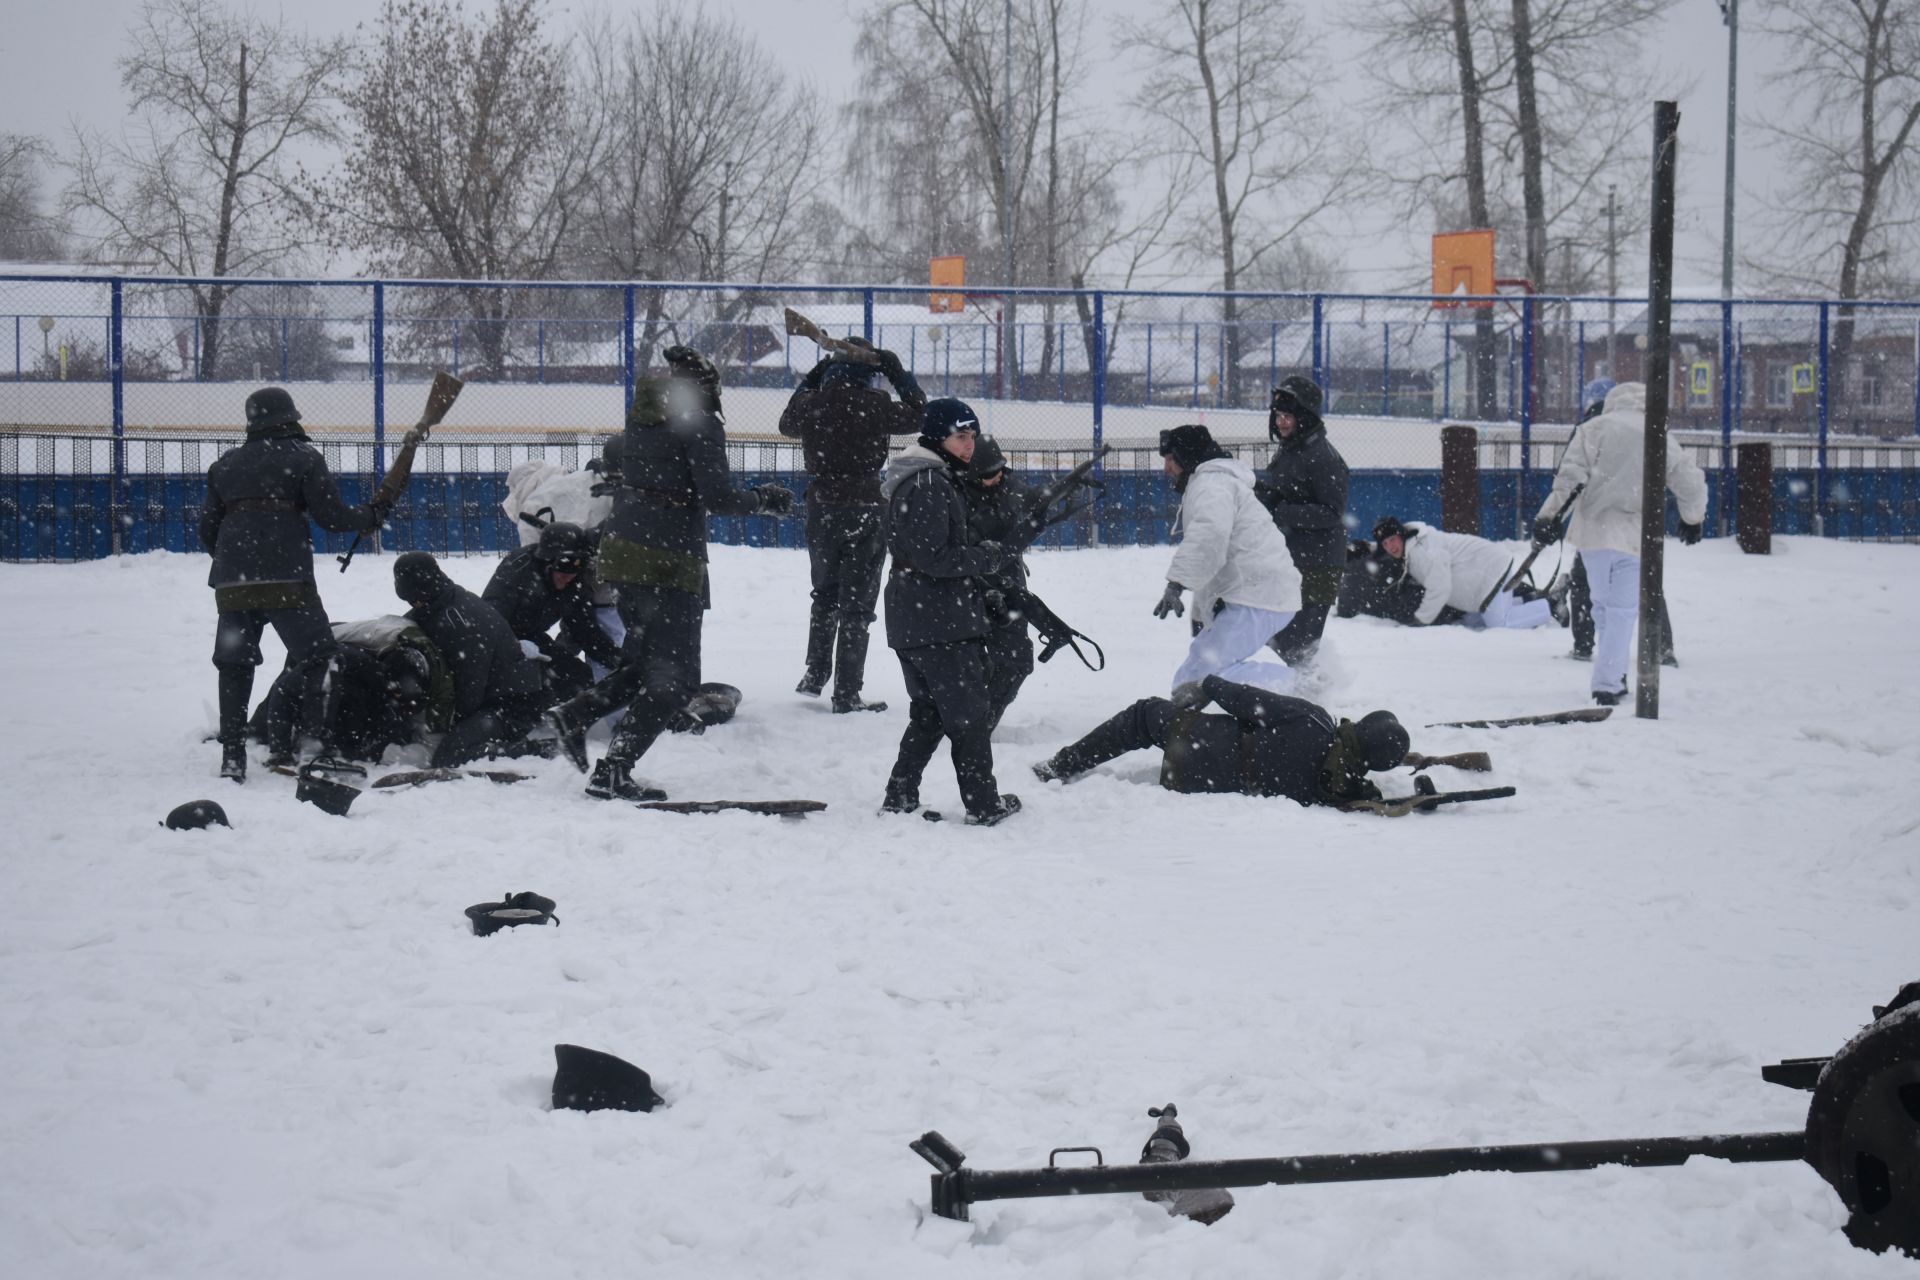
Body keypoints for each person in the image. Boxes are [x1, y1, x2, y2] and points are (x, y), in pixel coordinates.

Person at [544, 350, 793, 800]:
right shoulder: (700, 423)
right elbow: (716, 495)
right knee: (676, 683)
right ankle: (613, 771)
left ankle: (575, 714)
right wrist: (762, 499)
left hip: (625, 552)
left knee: (643, 665)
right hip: (668, 561)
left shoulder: (643, 416)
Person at [197, 385, 392, 783]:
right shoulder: (303, 458)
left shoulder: (225, 465)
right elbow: (332, 517)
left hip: (233, 583)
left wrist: (237, 560)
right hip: (288, 579)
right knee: (321, 659)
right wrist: (368, 515)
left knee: (234, 666)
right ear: (290, 419)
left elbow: (207, 530)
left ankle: (232, 758)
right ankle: (314, 749)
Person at [877, 397, 1022, 825]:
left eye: (972, 437)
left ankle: (900, 795)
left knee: (930, 714)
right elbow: (933, 558)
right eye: (961, 437)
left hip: (918, 617)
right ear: (938, 436)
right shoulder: (928, 484)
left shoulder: (925, 478)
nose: (969, 446)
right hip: (938, 621)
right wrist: (985, 558)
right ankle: (982, 805)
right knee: (968, 718)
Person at [1534, 380, 1707, 705]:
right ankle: (1608, 681)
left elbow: (1570, 478)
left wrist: (1549, 518)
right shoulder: (1657, 433)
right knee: (1623, 610)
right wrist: (1692, 519)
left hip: (1594, 534)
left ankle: (1610, 676)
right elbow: (1688, 478)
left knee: (1602, 605)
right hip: (1636, 534)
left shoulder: (1593, 428)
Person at [779, 337, 926, 713]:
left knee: (824, 594)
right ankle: (846, 692)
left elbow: (786, 423)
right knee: (858, 606)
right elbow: (918, 412)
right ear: (868, 375)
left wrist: (814, 375)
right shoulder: (875, 405)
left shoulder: (812, 405)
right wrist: (897, 371)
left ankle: (814, 674)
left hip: (822, 506)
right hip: (865, 505)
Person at [1031, 675, 1409, 808]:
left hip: (1194, 743)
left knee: (1143, 715)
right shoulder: (1342, 787)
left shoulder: (1316, 720)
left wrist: (1207, 685)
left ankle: (1060, 766)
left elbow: (1247, 700)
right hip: (1201, 782)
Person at [1154, 425, 1300, 698]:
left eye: (1170, 459)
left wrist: (1177, 583)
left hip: (1259, 596)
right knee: (1193, 679)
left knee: (1198, 679)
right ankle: (1288, 689)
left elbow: (1210, 536)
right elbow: (1215, 549)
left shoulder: (1212, 485)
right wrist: (1203, 613)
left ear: (1186, 457)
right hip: (1255, 593)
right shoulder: (1212, 482)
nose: (1166, 468)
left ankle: (1297, 687)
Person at [394, 552, 550, 768]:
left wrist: (447, 724)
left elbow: (471, 688)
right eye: (410, 600)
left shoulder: (460, 621)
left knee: (448, 756)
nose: (415, 603)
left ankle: (528, 749)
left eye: (417, 599)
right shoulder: (437, 603)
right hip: (491, 698)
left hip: (511, 705)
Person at [1563, 379, 1678, 666]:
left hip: (1598, 520)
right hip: (1639, 519)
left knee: (1585, 581)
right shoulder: (1647, 424)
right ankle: (1660, 646)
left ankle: (1585, 643)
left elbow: (1572, 473)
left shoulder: (1591, 426)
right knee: (1647, 582)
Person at [1257, 375, 1349, 665]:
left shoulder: (1323, 457)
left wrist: (1281, 512)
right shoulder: (1291, 449)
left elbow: (1332, 513)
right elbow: (1280, 490)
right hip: (1293, 558)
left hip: (1318, 565)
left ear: (1305, 417)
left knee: (1298, 647)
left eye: (1289, 416)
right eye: (1279, 415)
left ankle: (1309, 700)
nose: (1282, 422)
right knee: (1279, 639)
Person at [482, 521, 623, 704]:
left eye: (577, 565)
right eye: (563, 565)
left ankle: (559, 723)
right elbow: (489, 621)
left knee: (580, 680)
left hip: (533, 636)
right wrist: (514, 647)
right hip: (499, 642)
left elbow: (584, 630)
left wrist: (618, 658)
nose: (569, 574)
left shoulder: (575, 583)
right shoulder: (517, 573)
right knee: (530, 685)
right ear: (547, 561)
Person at [959, 438, 1044, 729]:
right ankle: (968, 721)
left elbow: (1036, 507)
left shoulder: (1011, 487)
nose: (996, 478)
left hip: (1008, 584)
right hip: (967, 585)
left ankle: (982, 723)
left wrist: (1049, 501)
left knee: (1016, 660)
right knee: (968, 660)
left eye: (1000, 471)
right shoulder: (954, 494)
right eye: (987, 474)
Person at [252, 638, 435, 767]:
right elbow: (282, 694)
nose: (396, 697)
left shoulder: (374, 681)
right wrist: (280, 749)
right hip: (289, 714)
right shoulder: (330, 671)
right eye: (396, 692)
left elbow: (383, 719)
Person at [1371, 515, 1565, 630]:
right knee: (1472, 621)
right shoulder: (1413, 549)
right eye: (1385, 544)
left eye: (1392, 540)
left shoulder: (1423, 552)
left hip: (1491, 569)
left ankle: (1551, 604)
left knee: (1499, 624)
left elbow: (1440, 587)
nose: (1390, 547)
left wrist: (1421, 619)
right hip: (1486, 571)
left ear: (1401, 536)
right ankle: (1528, 599)